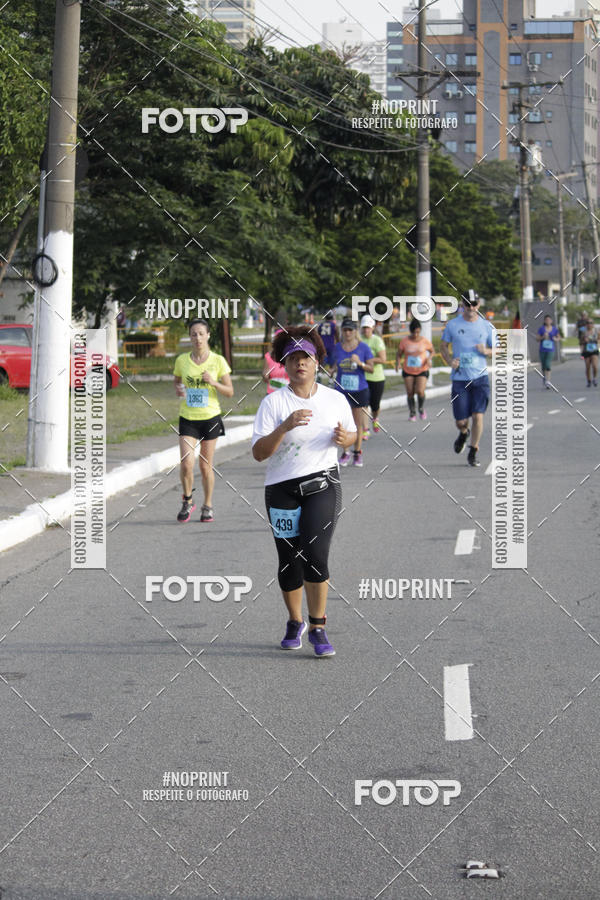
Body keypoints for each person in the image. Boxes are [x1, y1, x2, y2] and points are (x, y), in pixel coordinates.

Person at [252, 326, 356, 657]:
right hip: (281, 489)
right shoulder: (273, 403)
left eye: (306, 358)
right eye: (294, 358)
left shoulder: (334, 399)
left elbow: (353, 434)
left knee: (314, 553)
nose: (300, 364)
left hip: (322, 485)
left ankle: (318, 626)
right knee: (289, 560)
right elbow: (259, 453)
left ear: (317, 363)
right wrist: (284, 426)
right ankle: (294, 621)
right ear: (285, 364)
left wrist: (347, 440)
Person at [173, 318, 233, 522]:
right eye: (193, 334)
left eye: (201, 333)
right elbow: (177, 381)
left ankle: (208, 505)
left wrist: (213, 382)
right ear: (189, 337)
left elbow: (230, 392)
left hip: (210, 418)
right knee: (186, 463)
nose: (197, 337)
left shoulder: (218, 361)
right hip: (188, 417)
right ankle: (188, 500)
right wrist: (179, 389)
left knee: (205, 466)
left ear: (208, 335)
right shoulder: (182, 360)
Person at [440, 291, 497, 468]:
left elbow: (499, 348)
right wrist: (450, 361)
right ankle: (464, 433)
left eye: (474, 304)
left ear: (479, 304)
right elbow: (443, 345)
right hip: (460, 379)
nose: (471, 307)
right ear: (462, 304)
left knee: (478, 416)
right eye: (467, 304)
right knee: (461, 421)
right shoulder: (452, 325)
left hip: (480, 378)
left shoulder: (487, 326)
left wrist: (486, 351)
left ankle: (473, 450)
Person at [329, 318, 374, 466]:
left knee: (357, 424)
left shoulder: (364, 348)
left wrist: (359, 363)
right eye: (345, 330)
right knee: (341, 423)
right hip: (341, 391)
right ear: (342, 331)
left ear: (355, 332)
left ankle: (357, 452)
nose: (347, 333)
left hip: (359, 389)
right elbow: (336, 363)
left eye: (350, 330)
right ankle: (345, 452)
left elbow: (371, 368)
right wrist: (332, 370)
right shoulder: (337, 348)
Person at [395, 318, 434, 421]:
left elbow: (432, 351)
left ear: (420, 330)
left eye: (417, 332)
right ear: (410, 331)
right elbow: (399, 354)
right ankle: (412, 412)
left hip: (422, 369)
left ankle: (421, 408)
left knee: (420, 391)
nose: (415, 334)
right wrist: (398, 363)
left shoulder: (424, 341)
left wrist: (429, 359)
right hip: (408, 370)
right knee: (410, 392)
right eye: (413, 332)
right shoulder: (405, 341)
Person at [360, 314, 387, 437]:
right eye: (364, 327)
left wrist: (369, 360)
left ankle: (375, 419)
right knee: (364, 404)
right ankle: (365, 429)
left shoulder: (377, 340)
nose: (366, 330)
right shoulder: (359, 340)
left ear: (372, 327)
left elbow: (383, 359)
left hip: (377, 377)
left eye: (368, 327)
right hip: (362, 377)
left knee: (375, 405)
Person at [536, 314, 560, 388]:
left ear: (551, 321)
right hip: (542, 349)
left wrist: (554, 338)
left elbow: (558, 337)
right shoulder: (541, 329)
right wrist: (543, 337)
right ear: (544, 321)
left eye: (549, 320)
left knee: (547, 364)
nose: (548, 321)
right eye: (546, 320)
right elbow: (537, 339)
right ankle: (545, 378)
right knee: (543, 366)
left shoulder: (554, 329)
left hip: (550, 349)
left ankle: (548, 381)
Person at [580, 319, 599, 387]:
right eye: (588, 323)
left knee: (595, 366)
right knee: (588, 366)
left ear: (593, 324)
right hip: (586, 351)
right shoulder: (584, 332)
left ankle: (594, 378)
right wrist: (584, 341)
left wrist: (596, 340)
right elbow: (581, 342)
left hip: (594, 350)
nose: (589, 324)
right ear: (586, 324)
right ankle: (588, 380)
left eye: (591, 323)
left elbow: (599, 339)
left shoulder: (596, 331)